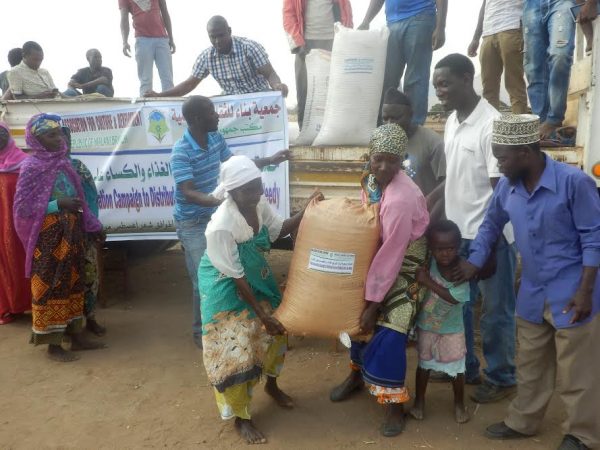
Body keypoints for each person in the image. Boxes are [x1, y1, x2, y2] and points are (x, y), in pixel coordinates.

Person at [456, 114, 600, 450]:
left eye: (502, 157)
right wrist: (474, 262)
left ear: (525, 152)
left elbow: (594, 237)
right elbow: (491, 225)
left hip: (572, 291)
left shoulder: (573, 183)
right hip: (533, 291)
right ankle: (523, 421)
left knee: (578, 371)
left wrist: (586, 292)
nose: (498, 164)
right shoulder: (508, 187)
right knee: (531, 363)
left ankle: (582, 435)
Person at [199, 155, 321, 444]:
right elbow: (235, 275)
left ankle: (272, 386)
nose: (256, 194)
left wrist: (308, 208)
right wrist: (260, 314)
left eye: (258, 186)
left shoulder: (259, 203)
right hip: (225, 283)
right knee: (236, 349)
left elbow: (281, 229)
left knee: (276, 331)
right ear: (232, 192)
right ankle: (241, 417)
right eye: (248, 190)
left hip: (255, 274)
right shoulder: (221, 226)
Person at [329, 123, 430, 437]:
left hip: (405, 265)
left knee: (390, 331)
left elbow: (393, 253)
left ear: (402, 163)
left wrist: (373, 303)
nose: (384, 167)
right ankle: (357, 375)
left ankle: (393, 404)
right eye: (378, 160)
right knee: (354, 319)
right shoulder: (371, 181)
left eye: (393, 161)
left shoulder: (401, 198)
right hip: (377, 255)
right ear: (369, 158)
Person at [170, 96, 289, 348]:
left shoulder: (216, 138)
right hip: (194, 221)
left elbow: (237, 168)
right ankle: (202, 334)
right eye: (212, 113)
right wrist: (219, 200)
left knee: (234, 270)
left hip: (221, 210)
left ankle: (240, 321)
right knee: (205, 279)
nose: (217, 116)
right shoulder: (180, 151)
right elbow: (187, 191)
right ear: (198, 119)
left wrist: (269, 161)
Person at [432, 54, 517, 402]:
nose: (440, 90)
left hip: (489, 238)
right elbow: (454, 175)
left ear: (468, 79)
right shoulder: (452, 120)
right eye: (437, 84)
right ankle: (464, 367)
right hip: (458, 236)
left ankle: (501, 376)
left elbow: (502, 193)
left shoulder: (491, 124)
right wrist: (430, 203)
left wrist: (488, 246)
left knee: (496, 312)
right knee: (459, 308)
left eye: (445, 83)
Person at [13, 113, 105, 362]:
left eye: (59, 133)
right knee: (50, 286)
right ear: (37, 139)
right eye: (51, 135)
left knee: (73, 282)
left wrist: (90, 223)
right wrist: (57, 204)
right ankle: (52, 345)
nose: (58, 139)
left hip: (72, 232)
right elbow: (23, 208)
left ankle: (75, 336)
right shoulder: (31, 166)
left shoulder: (65, 164)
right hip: (47, 237)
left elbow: (83, 199)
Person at [409, 220, 470, 424]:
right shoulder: (430, 263)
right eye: (439, 249)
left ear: (458, 247)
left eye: (450, 248)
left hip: (452, 330)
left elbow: (453, 297)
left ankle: (459, 403)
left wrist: (427, 281)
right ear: (432, 249)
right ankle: (419, 401)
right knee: (424, 365)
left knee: (457, 370)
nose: (445, 254)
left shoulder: (461, 271)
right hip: (427, 327)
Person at [145, 16, 288, 98]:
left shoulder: (250, 48)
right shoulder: (206, 57)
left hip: (258, 98)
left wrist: (277, 86)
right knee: (201, 106)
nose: (217, 41)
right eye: (213, 37)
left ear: (229, 31)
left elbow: (270, 73)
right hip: (230, 103)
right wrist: (160, 95)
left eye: (221, 35)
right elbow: (189, 85)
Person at [358, 0, 448, 126]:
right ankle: (382, 126)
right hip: (392, 22)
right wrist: (366, 21)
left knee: (415, 79)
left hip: (420, 17)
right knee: (387, 78)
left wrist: (441, 27)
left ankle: (414, 127)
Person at [62, 127, 106, 336]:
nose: (64, 143)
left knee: (89, 277)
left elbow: (91, 199)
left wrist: (93, 225)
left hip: (83, 232)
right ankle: (66, 328)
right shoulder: (42, 170)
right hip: (57, 236)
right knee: (65, 282)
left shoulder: (78, 167)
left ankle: (90, 318)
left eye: (67, 138)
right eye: (58, 138)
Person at [283, 0, 353, 129]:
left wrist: (347, 36)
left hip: (334, 41)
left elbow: (346, 10)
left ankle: (336, 129)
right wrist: (298, 43)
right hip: (305, 44)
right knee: (304, 89)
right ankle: (304, 129)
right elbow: (289, 15)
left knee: (336, 88)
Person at [382, 87, 446, 222]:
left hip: (426, 222)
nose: (389, 124)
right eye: (385, 118)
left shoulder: (432, 142)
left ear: (411, 115)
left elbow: (447, 187)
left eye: (395, 118)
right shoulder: (382, 143)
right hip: (394, 221)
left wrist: (426, 227)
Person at [522, 0, 576, 139]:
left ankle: (554, 119)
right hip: (531, 4)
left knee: (560, 54)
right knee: (533, 67)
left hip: (562, 2)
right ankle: (541, 121)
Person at [467, 0, 528, 114]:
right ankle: (490, 128)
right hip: (488, 32)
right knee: (488, 88)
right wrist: (476, 38)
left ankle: (519, 128)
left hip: (512, 27)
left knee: (514, 84)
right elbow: (485, 6)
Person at [0, 122, 30, 325]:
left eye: (2, 133)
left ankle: (29, 304)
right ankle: (8, 308)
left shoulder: (25, 162)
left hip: (21, 226)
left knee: (23, 262)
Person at [119, 0, 175, 96]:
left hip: (162, 38)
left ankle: (170, 105)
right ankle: (145, 106)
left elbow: (165, 12)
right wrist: (124, 41)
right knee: (145, 79)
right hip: (142, 39)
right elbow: (124, 18)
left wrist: (171, 37)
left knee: (167, 77)